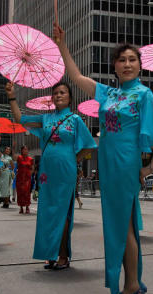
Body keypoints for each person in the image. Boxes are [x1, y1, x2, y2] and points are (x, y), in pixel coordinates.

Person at [52, 22, 153, 294]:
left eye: (132, 59)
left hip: (126, 162)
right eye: (122, 60)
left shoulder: (143, 95)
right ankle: (133, 283)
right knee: (121, 224)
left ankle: (130, 286)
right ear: (115, 66)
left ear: (140, 66)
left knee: (122, 225)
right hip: (107, 163)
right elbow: (77, 76)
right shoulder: (109, 94)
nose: (127, 64)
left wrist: (150, 167)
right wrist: (61, 45)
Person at [8, 80, 95, 267]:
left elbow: (89, 145)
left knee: (62, 213)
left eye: (62, 92)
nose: (58, 95)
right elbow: (18, 118)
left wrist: (74, 159)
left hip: (66, 171)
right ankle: (51, 253)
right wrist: (11, 97)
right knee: (47, 212)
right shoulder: (45, 119)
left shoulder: (75, 119)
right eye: (55, 93)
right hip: (46, 172)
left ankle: (63, 255)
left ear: (70, 97)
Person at [15, 145, 34, 214]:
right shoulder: (19, 158)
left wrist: (30, 174)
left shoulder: (30, 159)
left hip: (27, 178)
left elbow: (32, 168)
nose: (25, 151)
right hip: (20, 178)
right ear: (21, 150)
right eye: (24, 149)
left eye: (26, 149)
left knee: (26, 192)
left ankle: (27, 207)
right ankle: (21, 207)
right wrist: (14, 148)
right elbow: (17, 165)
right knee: (20, 192)